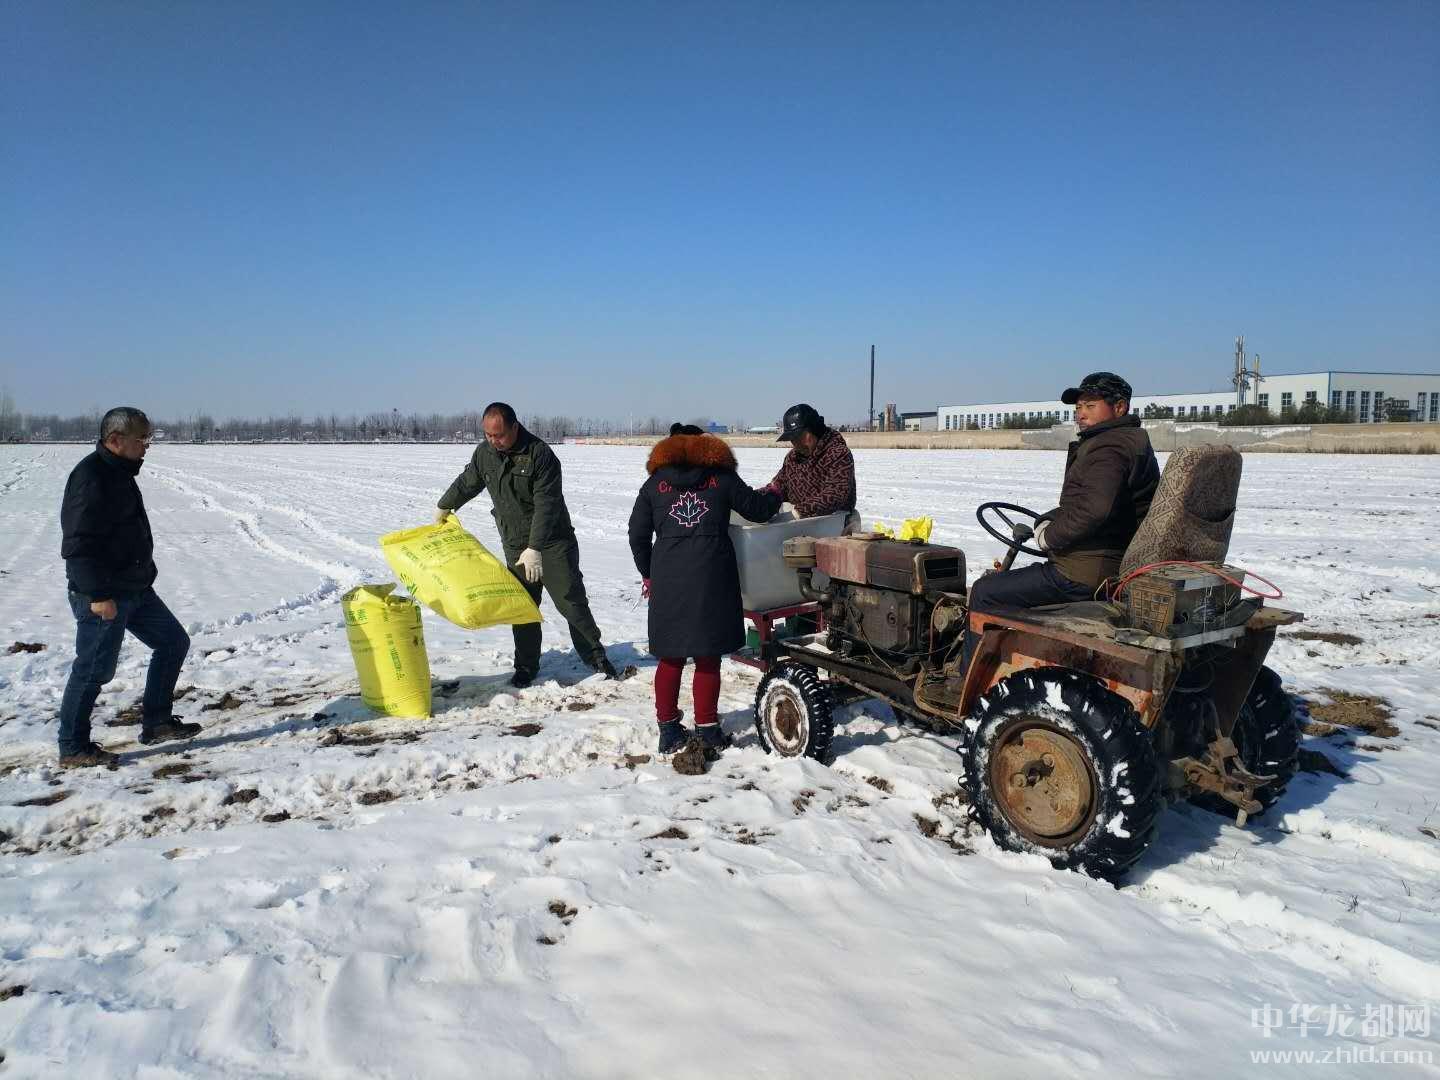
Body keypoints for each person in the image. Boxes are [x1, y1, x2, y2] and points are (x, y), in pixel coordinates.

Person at [436, 402, 617, 687]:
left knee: (570, 600)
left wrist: (535, 548)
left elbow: (547, 505)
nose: (493, 441)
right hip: (515, 543)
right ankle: (526, 667)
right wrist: (445, 505)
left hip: (552, 542)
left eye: (499, 435)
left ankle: (596, 658)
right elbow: (469, 481)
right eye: (488, 435)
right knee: (523, 607)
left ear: (514, 427)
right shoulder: (485, 454)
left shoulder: (540, 455)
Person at [57, 407, 199, 767]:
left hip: (135, 588)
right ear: (116, 440)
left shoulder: (119, 472)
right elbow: (78, 544)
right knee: (94, 669)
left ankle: (157, 722)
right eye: (142, 438)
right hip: (104, 593)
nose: (147, 445)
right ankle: (72, 747)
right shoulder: (91, 477)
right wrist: (98, 595)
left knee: (173, 642)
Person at [628, 427, 781, 754]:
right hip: (712, 575)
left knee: (671, 656)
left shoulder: (655, 484)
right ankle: (708, 730)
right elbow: (758, 510)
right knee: (708, 657)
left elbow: (636, 533)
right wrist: (775, 492)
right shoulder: (721, 478)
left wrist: (648, 572)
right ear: (705, 447)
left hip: (668, 576)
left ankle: (669, 730)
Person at [967, 372, 1160, 618]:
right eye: (1078, 407)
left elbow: (1094, 509)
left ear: (1120, 407)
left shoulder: (1110, 447)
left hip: (1084, 573)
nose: (1081, 414)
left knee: (983, 591)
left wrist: (1049, 537)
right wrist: (1049, 518)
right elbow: (1093, 501)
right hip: (1102, 564)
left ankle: (973, 645)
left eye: (1090, 406)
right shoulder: (1126, 441)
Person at [765, 404, 857, 526]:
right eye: (792, 439)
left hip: (835, 523)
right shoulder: (792, 458)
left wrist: (798, 513)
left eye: (799, 438)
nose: (796, 444)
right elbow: (778, 485)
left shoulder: (838, 454)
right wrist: (759, 500)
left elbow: (835, 495)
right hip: (800, 524)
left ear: (813, 430)